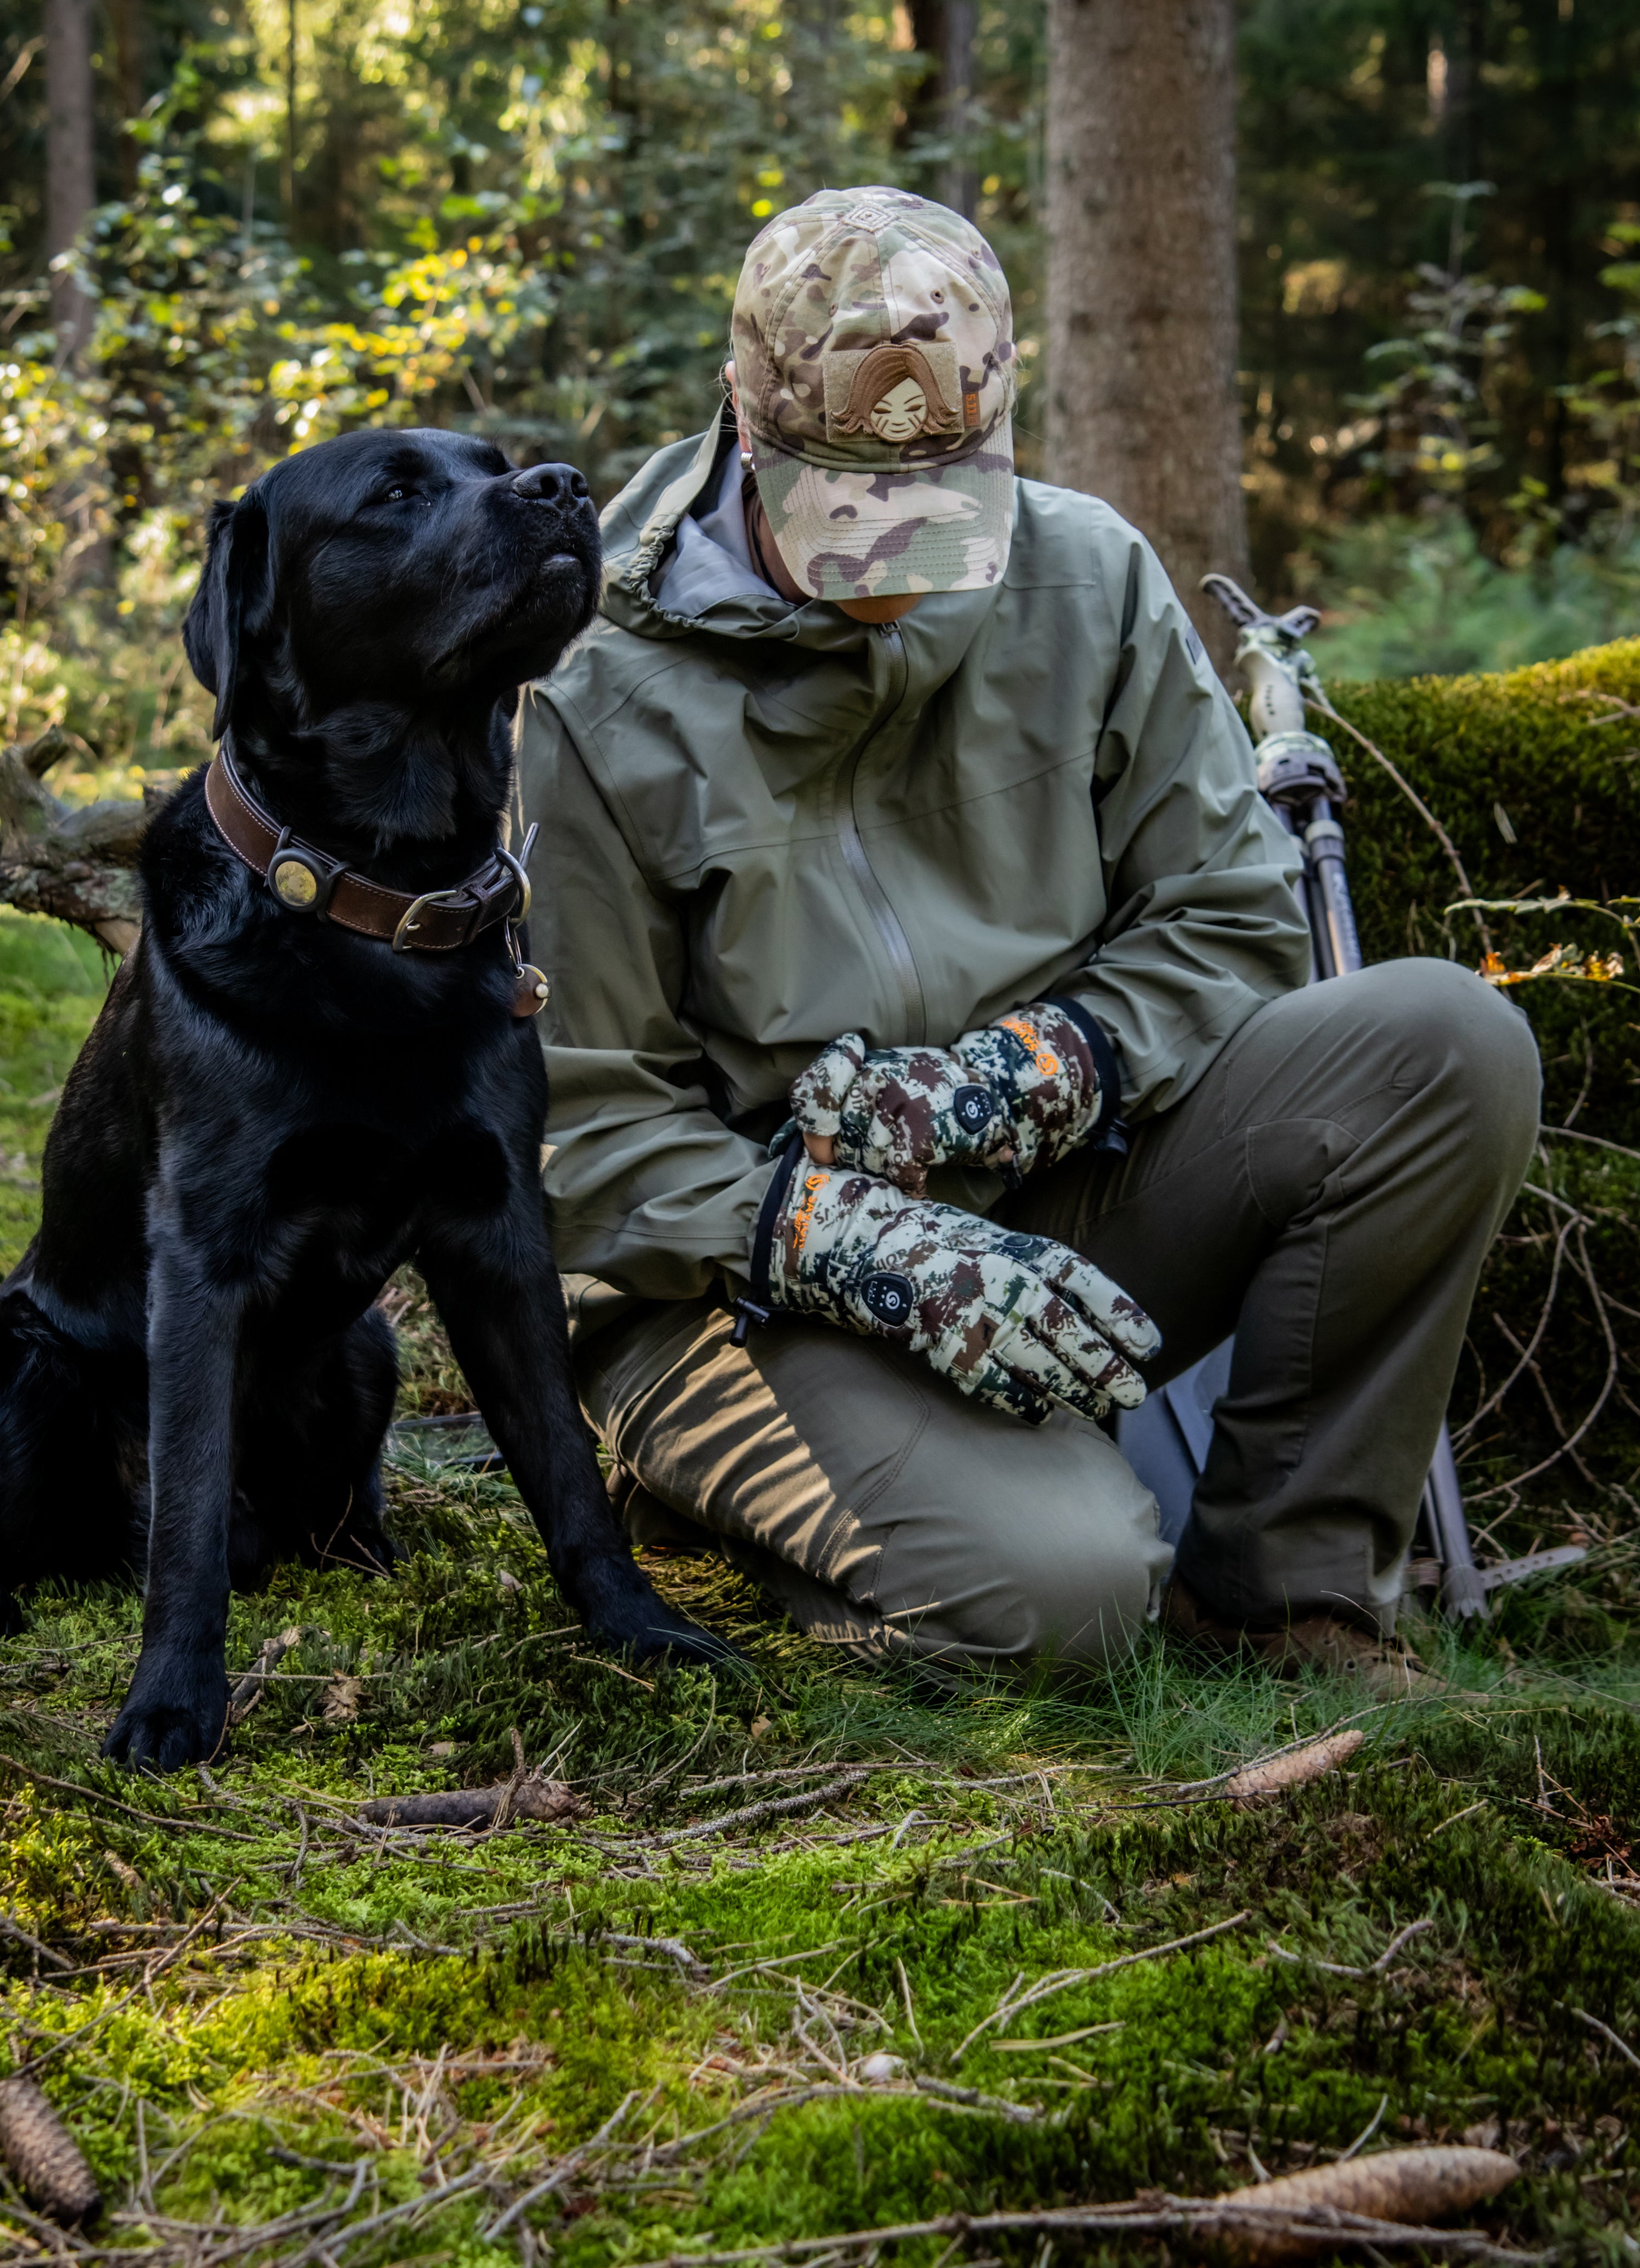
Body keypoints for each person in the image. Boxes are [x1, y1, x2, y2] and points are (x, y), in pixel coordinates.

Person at [516, 186, 1540, 1692]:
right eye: (854, 506)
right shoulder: (590, 690)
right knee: (1065, 1598)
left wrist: (1027, 1074)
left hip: (1060, 1197)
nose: (906, 558)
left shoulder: (1087, 576)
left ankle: (1279, 1596)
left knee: (1446, 1046)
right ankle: (755, 1511)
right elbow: (585, 1137)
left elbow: (1237, 908)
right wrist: (848, 1241)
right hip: (737, 1295)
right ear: (748, 430)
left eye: (948, 497)